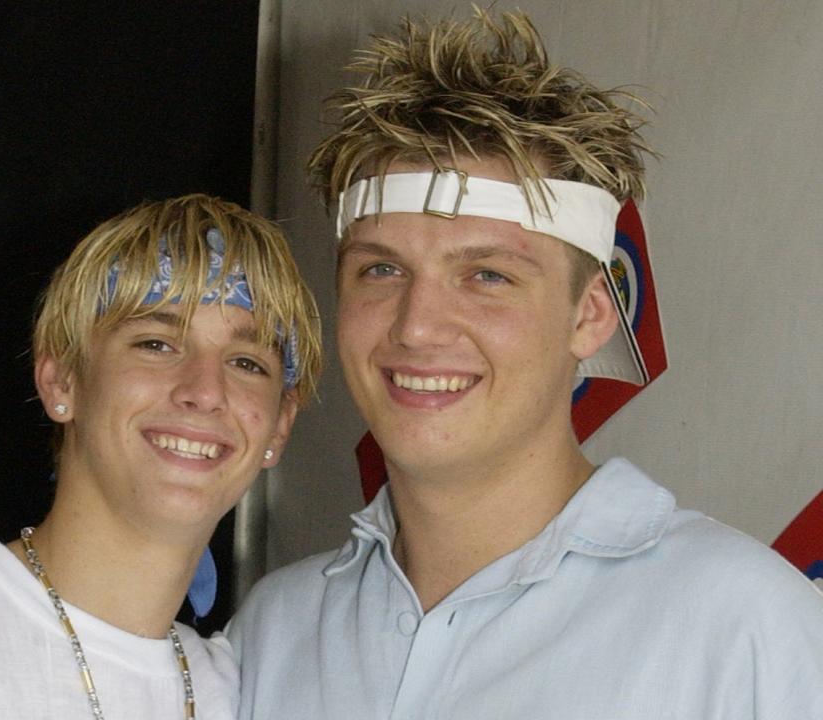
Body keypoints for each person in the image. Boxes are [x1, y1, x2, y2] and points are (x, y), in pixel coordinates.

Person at [227, 9, 823, 719]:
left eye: (487, 276)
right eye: (381, 269)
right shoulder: (274, 631)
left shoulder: (742, 625)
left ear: (591, 314)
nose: (417, 326)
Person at [0, 194, 321, 719]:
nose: (204, 390)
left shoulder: (240, 691)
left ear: (279, 426)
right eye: (156, 343)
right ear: (62, 380)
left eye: (246, 362)